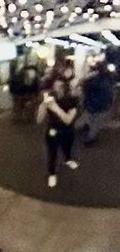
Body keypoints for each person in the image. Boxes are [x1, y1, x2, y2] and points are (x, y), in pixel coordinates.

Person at [44, 47, 84, 188]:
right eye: (57, 82)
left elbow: (68, 119)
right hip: (52, 128)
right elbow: (39, 117)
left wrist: (55, 108)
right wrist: (45, 106)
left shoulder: (73, 98)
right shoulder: (50, 95)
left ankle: (68, 160)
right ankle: (52, 174)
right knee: (52, 152)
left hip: (67, 128)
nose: (59, 85)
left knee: (67, 147)